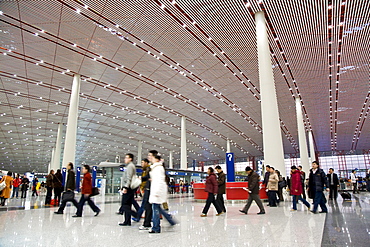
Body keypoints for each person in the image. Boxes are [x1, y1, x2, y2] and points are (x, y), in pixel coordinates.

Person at [148, 155, 176, 233]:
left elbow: (159, 181)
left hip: (157, 191)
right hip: (156, 190)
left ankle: (156, 228)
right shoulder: (155, 167)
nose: (151, 159)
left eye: (152, 158)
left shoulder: (158, 168)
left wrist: (157, 192)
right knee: (158, 208)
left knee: (155, 209)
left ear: (157, 159)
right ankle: (170, 220)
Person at [132, 158, 153, 231]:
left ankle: (140, 218)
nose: (141, 164)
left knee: (146, 205)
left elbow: (147, 179)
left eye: (143, 162)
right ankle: (143, 219)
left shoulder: (148, 169)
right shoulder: (145, 170)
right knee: (147, 205)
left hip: (147, 189)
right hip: (145, 189)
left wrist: (141, 179)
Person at [118, 153, 137, 226]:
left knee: (124, 205)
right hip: (129, 188)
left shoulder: (130, 166)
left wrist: (125, 187)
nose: (125, 159)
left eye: (126, 158)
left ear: (130, 159)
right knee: (128, 205)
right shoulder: (130, 166)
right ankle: (127, 221)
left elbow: (129, 178)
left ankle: (135, 214)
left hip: (128, 188)